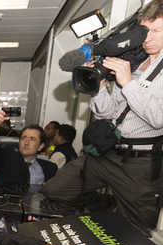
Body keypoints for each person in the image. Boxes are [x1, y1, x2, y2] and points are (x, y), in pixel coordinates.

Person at [44, 2, 163, 231]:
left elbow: (158, 118)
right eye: (144, 31)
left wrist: (127, 82)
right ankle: (106, 207)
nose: (147, 37)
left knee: (137, 231)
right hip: (107, 153)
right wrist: (97, 88)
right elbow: (108, 113)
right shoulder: (134, 62)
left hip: (140, 164)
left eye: (156, 30)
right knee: (54, 189)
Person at [0, 111, 57, 191]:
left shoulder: (50, 168)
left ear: (40, 146)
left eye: (32, 139)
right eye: (23, 138)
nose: (26, 143)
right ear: (19, 142)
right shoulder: (7, 159)